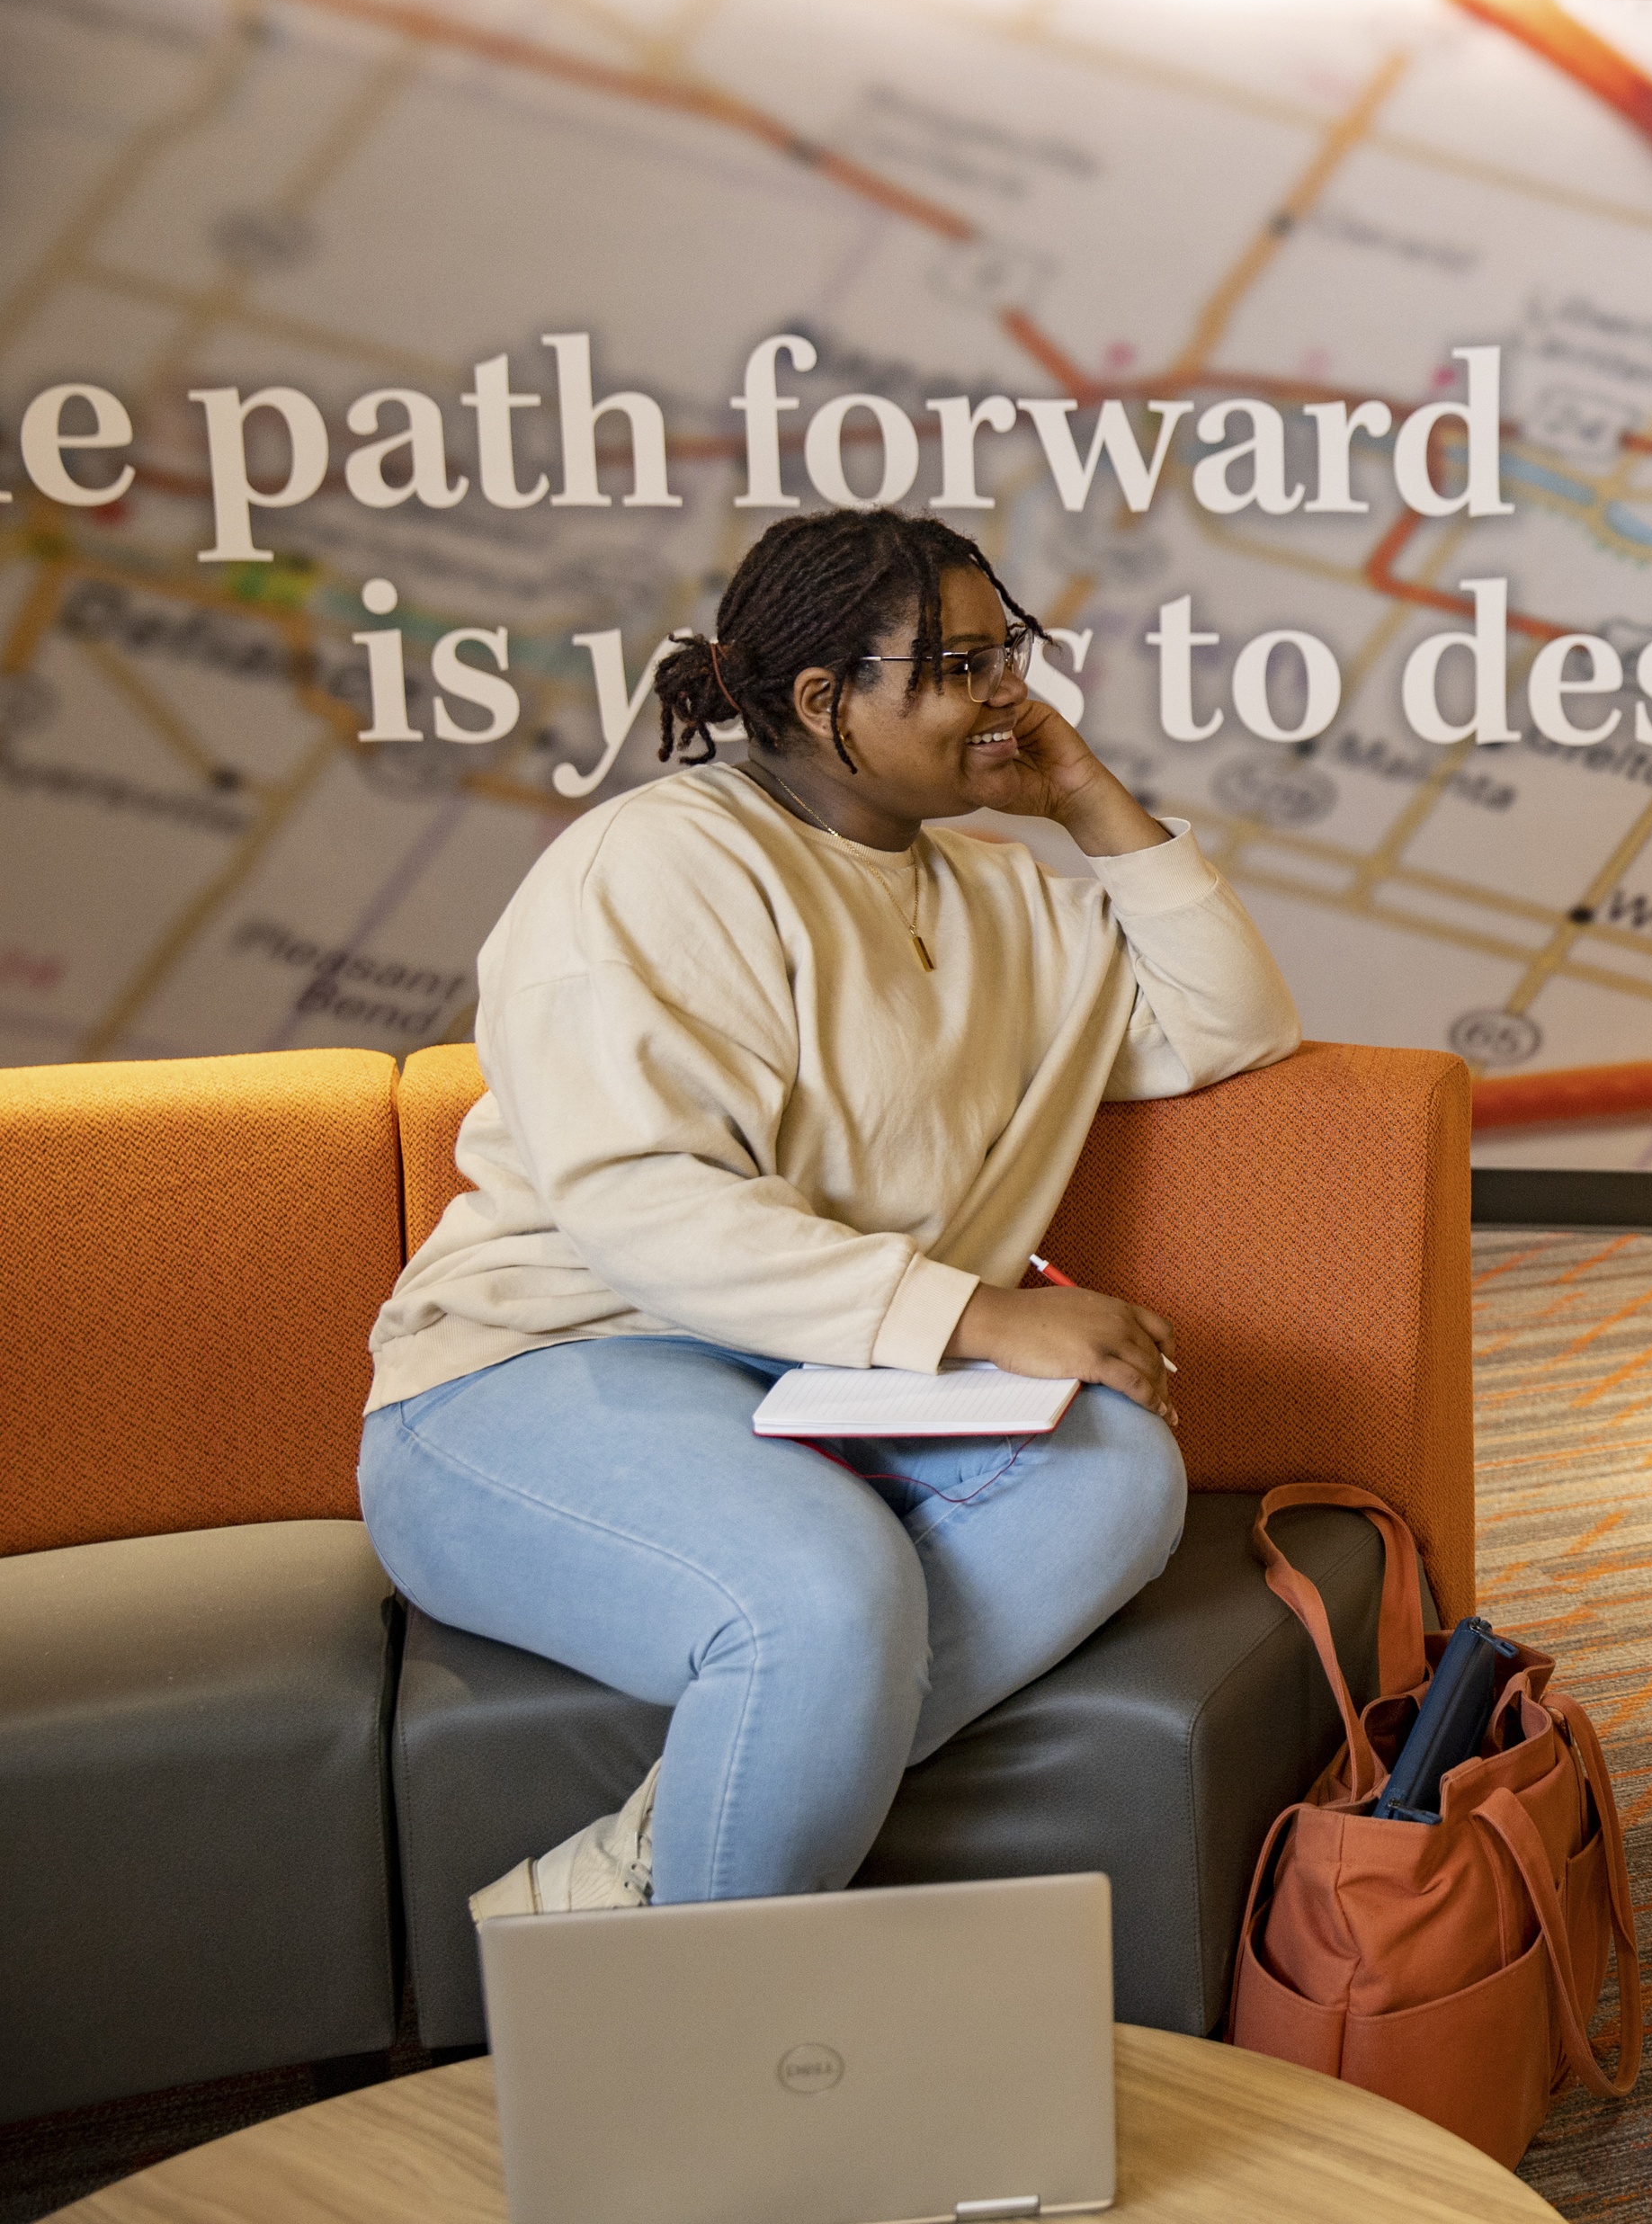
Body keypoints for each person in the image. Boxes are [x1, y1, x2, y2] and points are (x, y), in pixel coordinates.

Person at [359, 508, 1301, 1917]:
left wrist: (1097, 802)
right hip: (543, 1368)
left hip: (816, 1376)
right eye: (966, 664)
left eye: (1012, 653)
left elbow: (1232, 1023)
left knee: (1118, 1478)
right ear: (822, 699)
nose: (1013, 696)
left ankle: (638, 1874)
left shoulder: (999, 896)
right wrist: (977, 1317)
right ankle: (684, 2052)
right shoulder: (657, 865)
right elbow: (643, 1204)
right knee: (825, 1591)